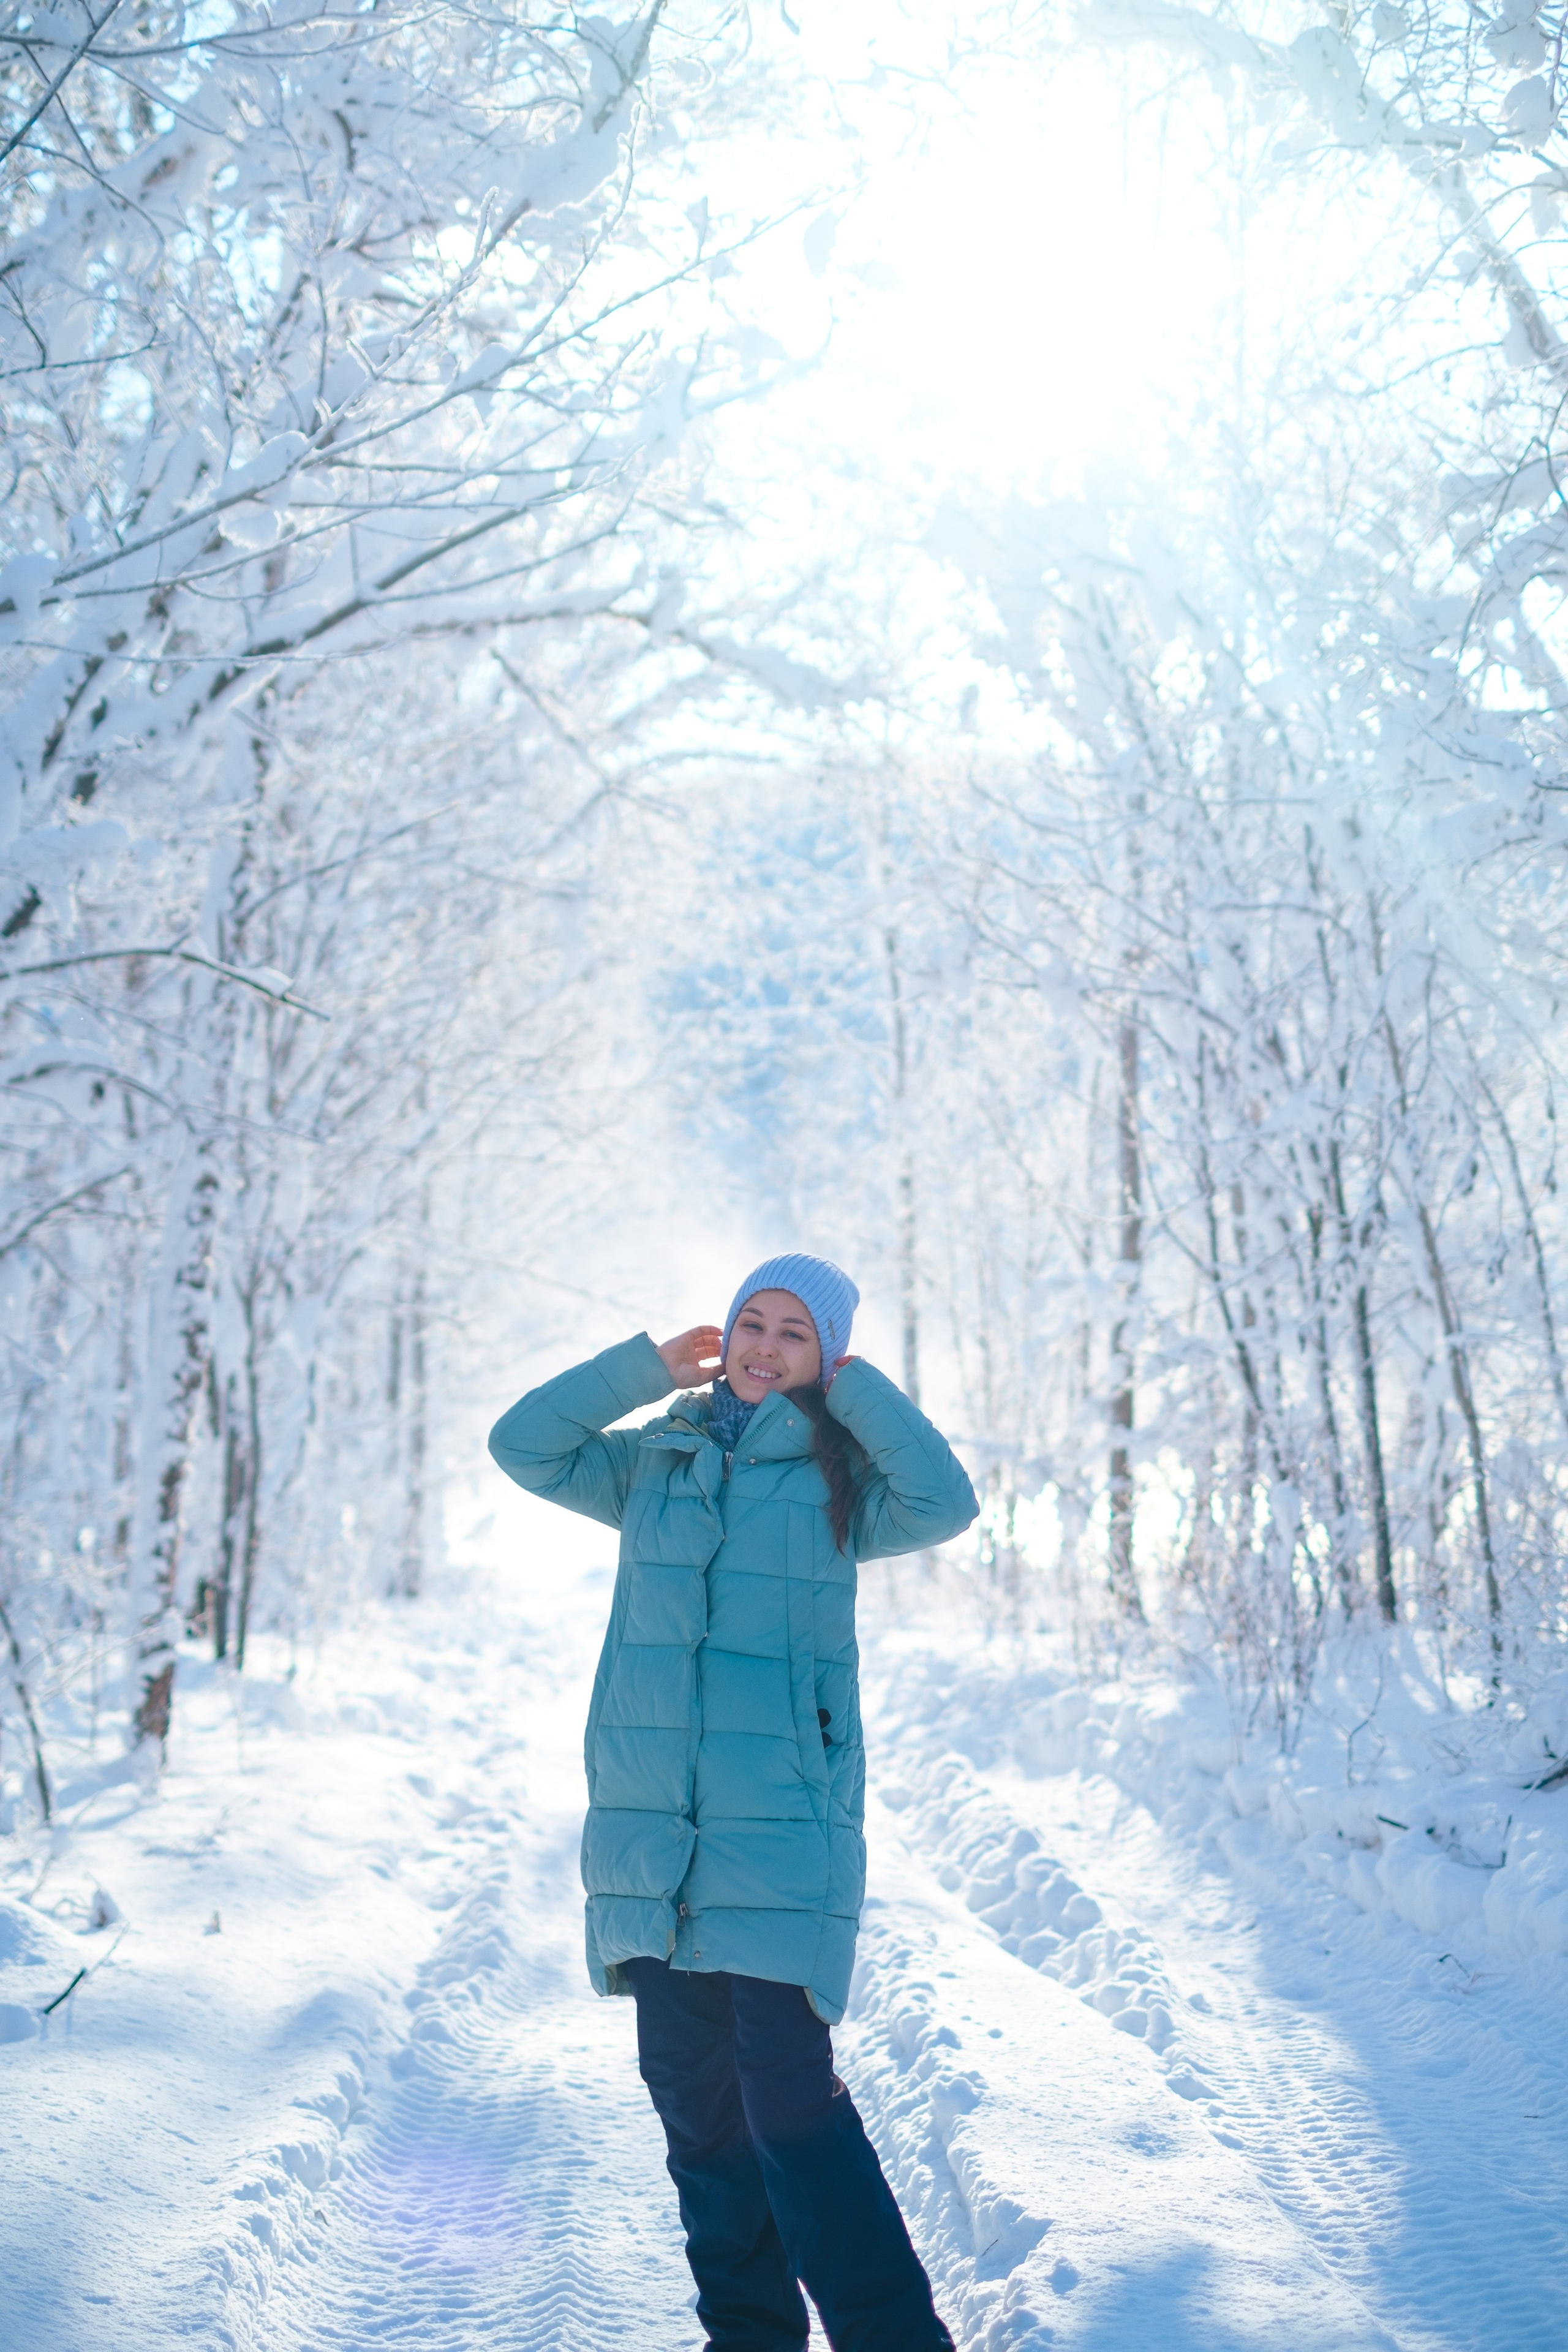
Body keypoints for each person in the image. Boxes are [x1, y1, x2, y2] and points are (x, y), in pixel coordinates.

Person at [489, 1252, 978, 2352]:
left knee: (790, 2104)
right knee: (697, 2110)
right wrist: (638, 1371)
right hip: (651, 1834)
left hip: (781, 1832)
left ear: (828, 1358)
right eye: (749, 1322)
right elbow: (522, 1443)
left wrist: (846, 1392)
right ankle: (749, 2336)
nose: (762, 1345)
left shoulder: (841, 1476)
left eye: (794, 1334)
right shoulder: (654, 1460)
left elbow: (947, 1503)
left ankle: (895, 2339)